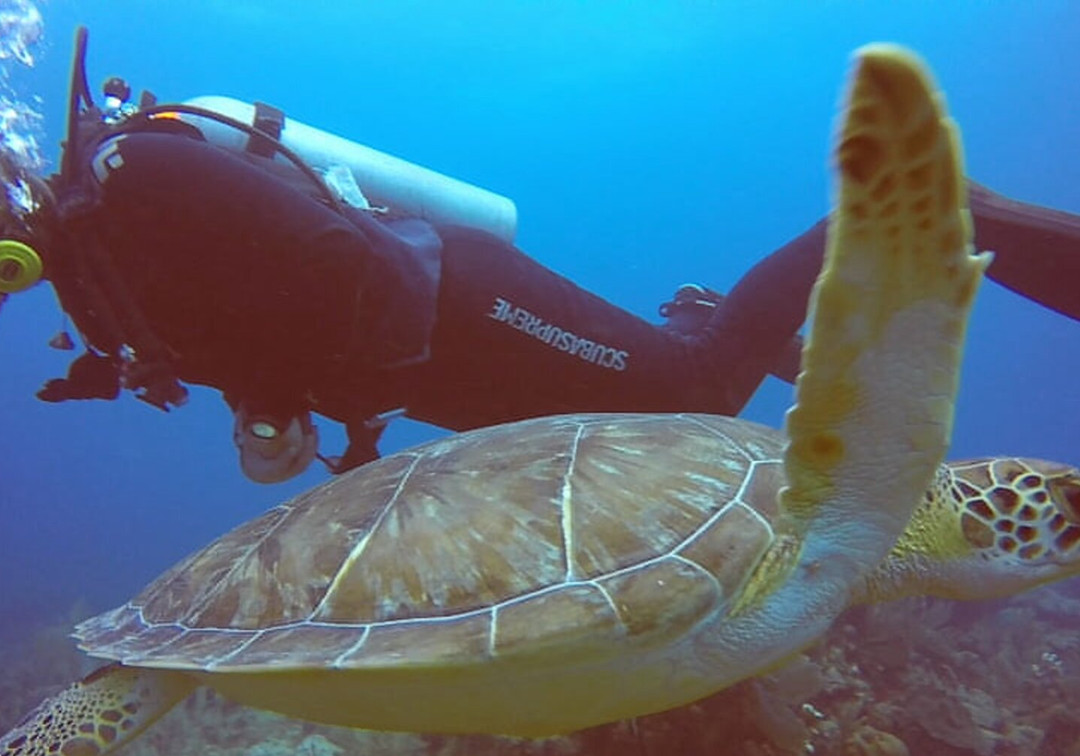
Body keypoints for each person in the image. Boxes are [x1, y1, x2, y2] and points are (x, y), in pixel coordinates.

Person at [3, 27, 1080, 483]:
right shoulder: (92, 272)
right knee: (637, 440)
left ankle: (908, 204)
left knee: (697, 397)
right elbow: (254, 319)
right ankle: (697, 314)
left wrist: (290, 394)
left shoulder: (139, 177)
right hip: (422, 376)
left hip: (454, 306)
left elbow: (339, 257)